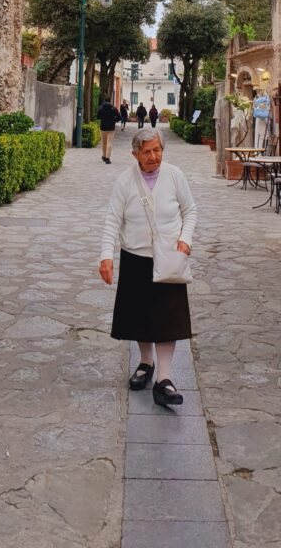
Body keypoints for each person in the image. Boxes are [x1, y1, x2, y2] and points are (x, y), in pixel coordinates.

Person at [99, 129, 197, 406]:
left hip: (169, 257)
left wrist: (185, 241)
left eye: (157, 151)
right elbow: (112, 220)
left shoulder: (175, 175)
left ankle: (164, 379)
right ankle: (145, 363)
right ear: (135, 155)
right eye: (147, 152)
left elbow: (190, 210)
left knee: (168, 319)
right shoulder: (125, 181)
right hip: (135, 257)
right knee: (140, 317)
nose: (153, 157)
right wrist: (106, 256)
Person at [97, 97, 120, 163]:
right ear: (110, 101)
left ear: (104, 100)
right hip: (111, 128)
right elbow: (119, 117)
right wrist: (114, 121)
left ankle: (104, 156)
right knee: (109, 142)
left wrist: (103, 119)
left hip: (103, 127)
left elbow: (98, 116)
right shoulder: (114, 109)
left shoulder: (101, 108)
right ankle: (107, 158)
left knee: (104, 143)